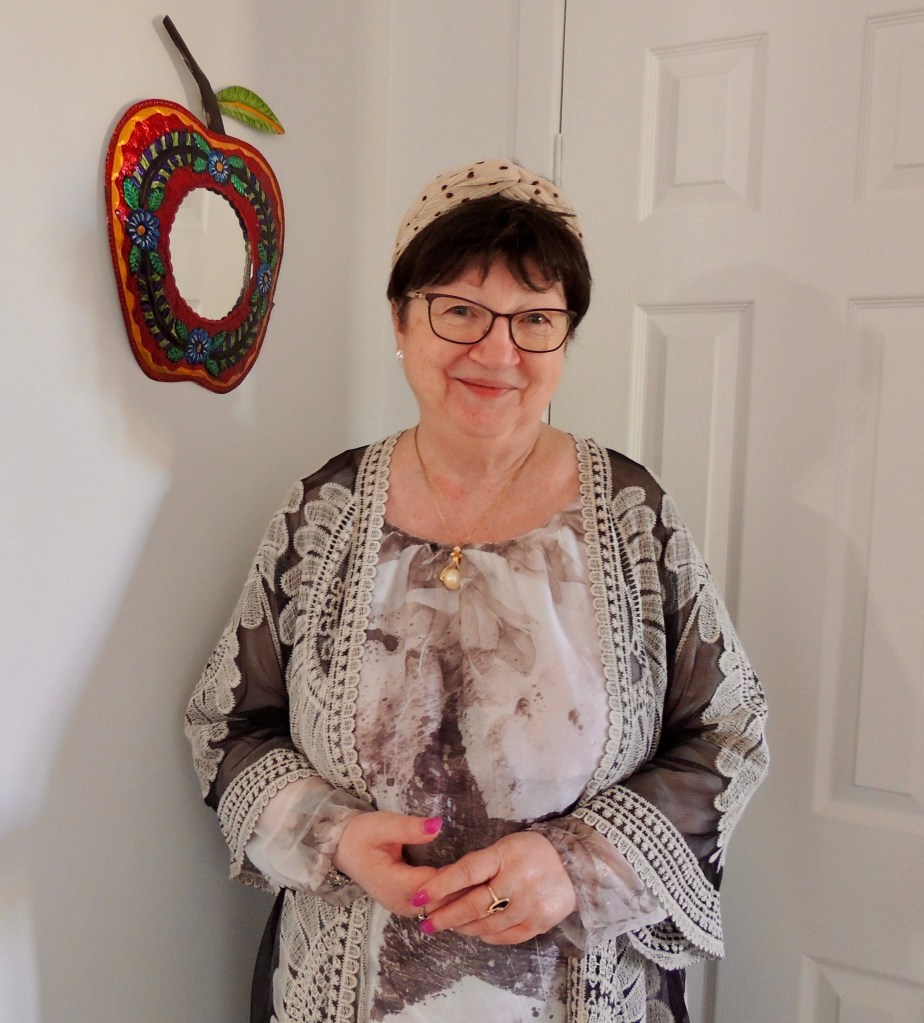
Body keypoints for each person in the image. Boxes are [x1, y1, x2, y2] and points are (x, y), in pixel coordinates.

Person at [185, 159, 769, 1023]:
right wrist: (334, 836)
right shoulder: (326, 511)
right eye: (459, 310)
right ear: (401, 317)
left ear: (565, 337)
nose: (497, 352)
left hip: (578, 993)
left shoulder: (630, 514)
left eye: (535, 319)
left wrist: (577, 864)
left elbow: (728, 732)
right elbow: (228, 723)